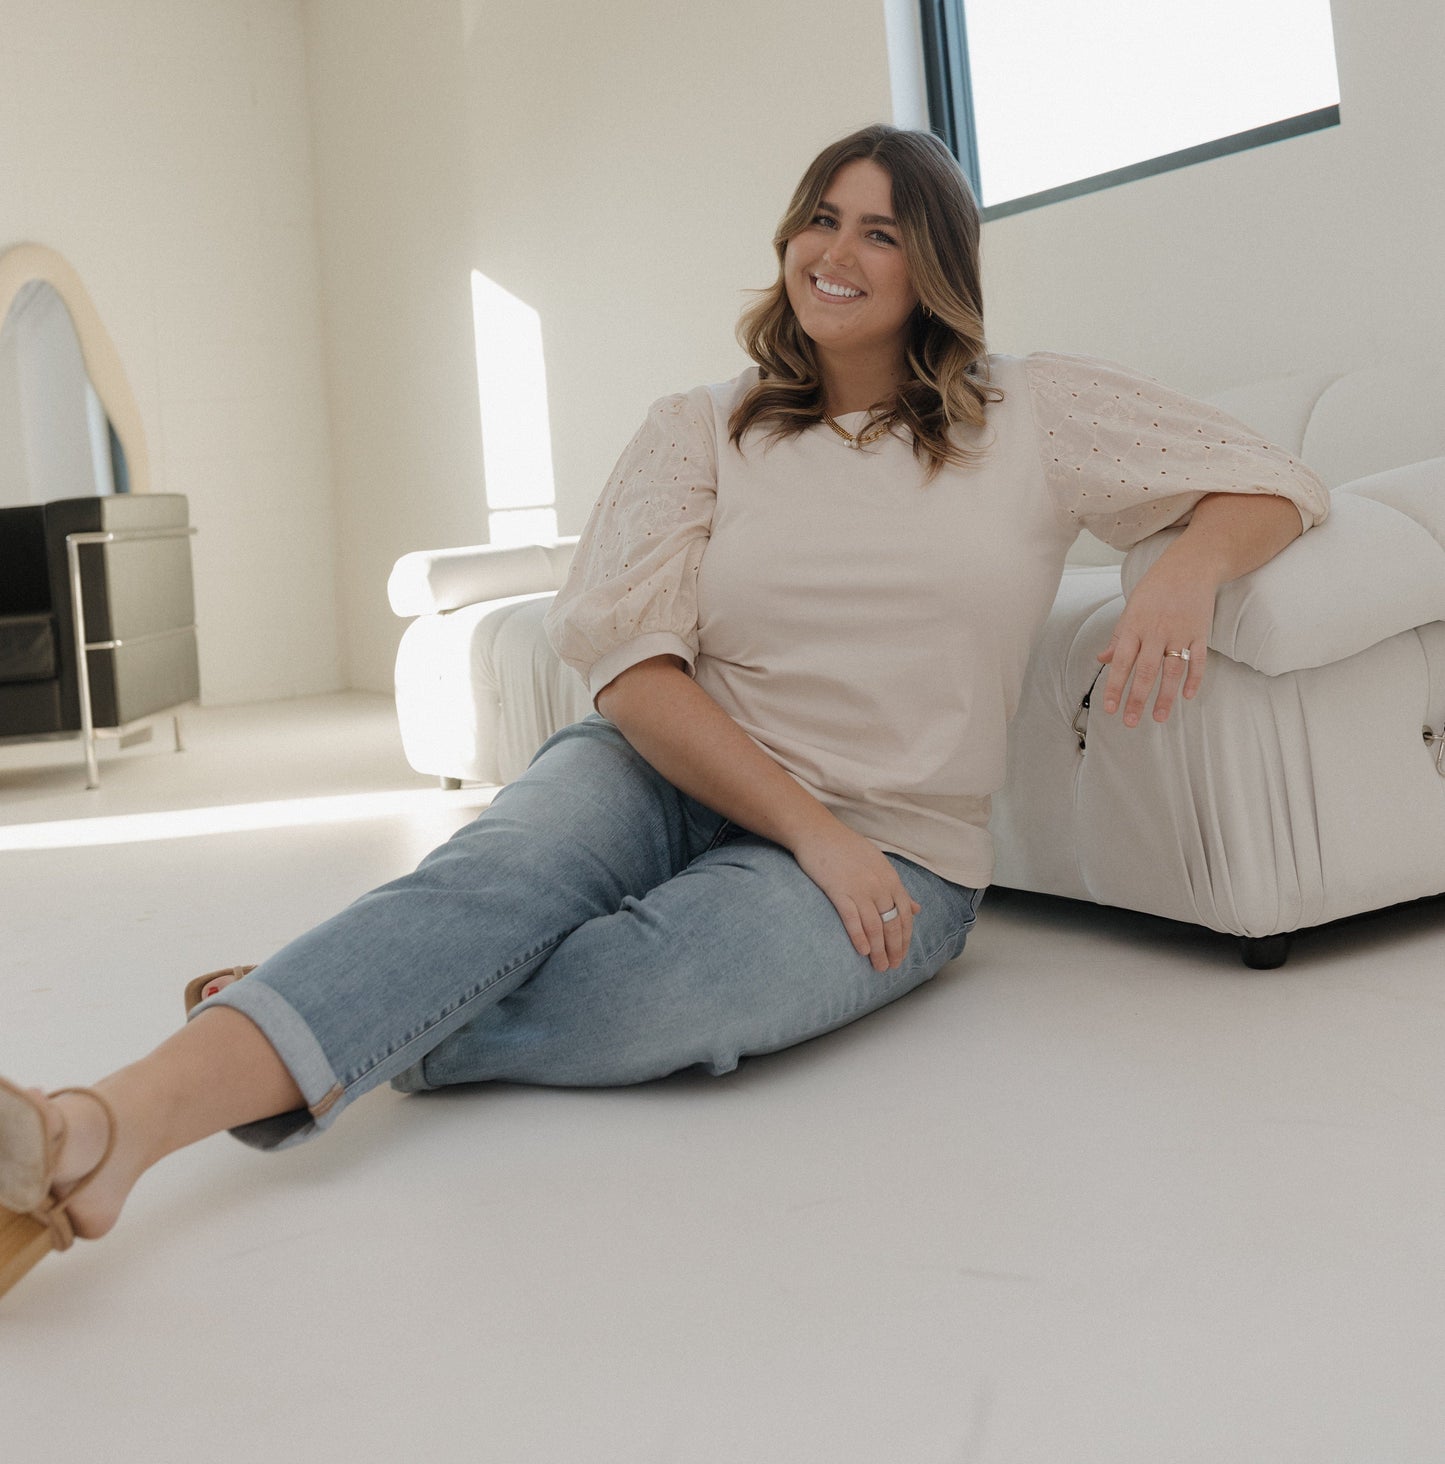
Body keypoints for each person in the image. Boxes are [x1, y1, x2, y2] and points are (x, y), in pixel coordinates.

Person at [0, 123, 1330, 1301]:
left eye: (879, 231)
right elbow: (634, 669)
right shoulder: (704, 425)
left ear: (934, 263)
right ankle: (101, 1129)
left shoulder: (1034, 409)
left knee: (668, 996)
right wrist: (809, 830)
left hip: (905, 850)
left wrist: (1184, 573)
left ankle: (319, 1005)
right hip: (666, 767)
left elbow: (1269, 479)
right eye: (819, 218)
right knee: (492, 881)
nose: (836, 252)